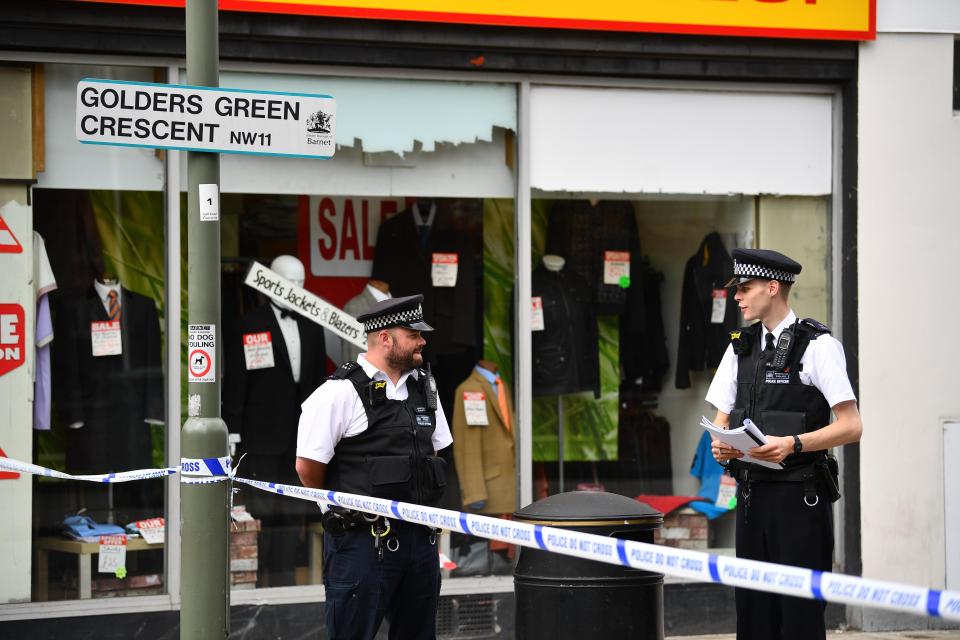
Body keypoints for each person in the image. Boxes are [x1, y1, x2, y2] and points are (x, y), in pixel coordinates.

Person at [705, 248, 863, 640]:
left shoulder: (818, 345)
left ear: (772, 287)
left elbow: (851, 426)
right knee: (753, 616)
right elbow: (720, 420)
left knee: (799, 618)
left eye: (744, 288)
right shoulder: (739, 346)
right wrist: (721, 445)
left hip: (799, 500)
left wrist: (793, 443)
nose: (737, 297)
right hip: (750, 500)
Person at [295, 293, 452, 640]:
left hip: (420, 541)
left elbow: (437, 451)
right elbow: (308, 468)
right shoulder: (338, 393)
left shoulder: (426, 388)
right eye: (413, 334)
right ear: (385, 338)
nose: (423, 341)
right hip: (362, 544)